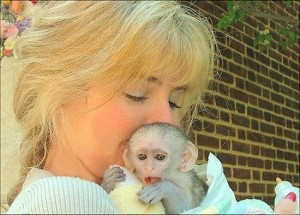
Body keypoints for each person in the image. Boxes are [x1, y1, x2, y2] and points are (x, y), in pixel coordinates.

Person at [7, 1, 216, 213]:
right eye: (137, 94)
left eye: (174, 102)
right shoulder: (71, 201)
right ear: (58, 88)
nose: (167, 122)